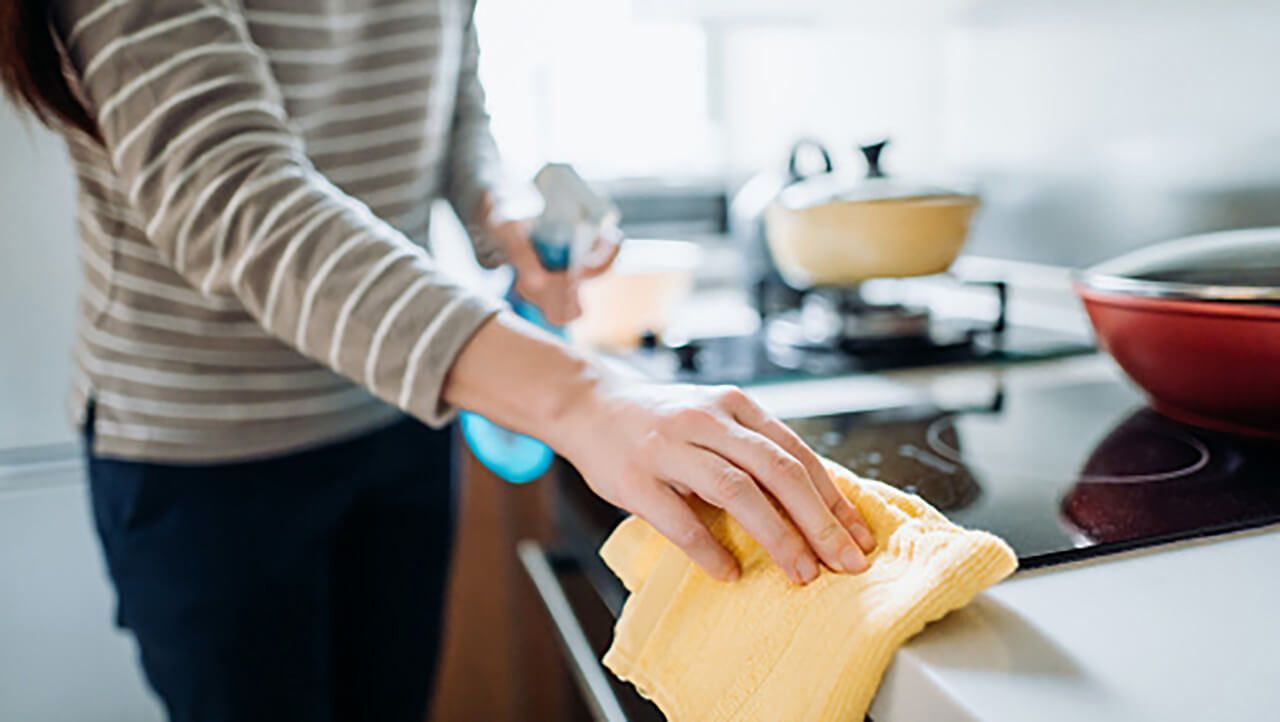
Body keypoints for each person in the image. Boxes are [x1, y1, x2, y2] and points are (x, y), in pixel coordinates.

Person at [0, 1, 876, 720]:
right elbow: (234, 192)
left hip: (394, 416)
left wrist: (501, 216)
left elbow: (455, 112)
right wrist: (585, 399)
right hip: (207, 452)